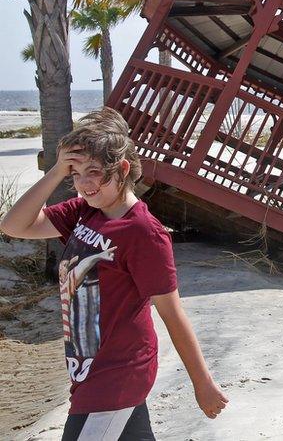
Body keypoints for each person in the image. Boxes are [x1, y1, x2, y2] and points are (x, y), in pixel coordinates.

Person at [0, 108, 227, 440]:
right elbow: (13, 225)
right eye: (76, 173)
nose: (84, 184)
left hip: (117, 375)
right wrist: (56, 170)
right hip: (90, 372)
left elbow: (171, 312)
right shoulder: (85, 212)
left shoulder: (142, 231)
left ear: (122, 169)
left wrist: (202, 383)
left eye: (94, 172)